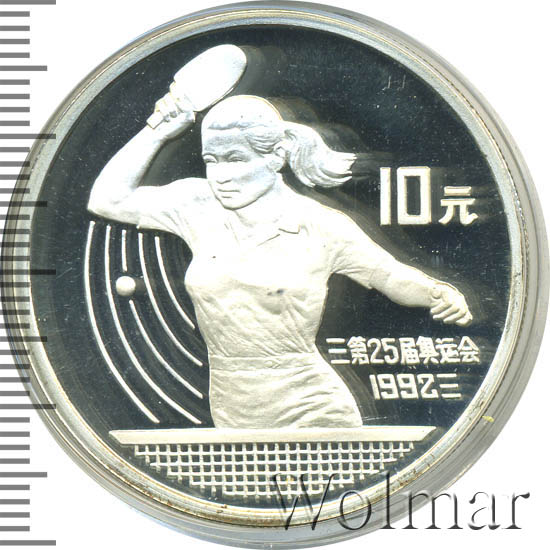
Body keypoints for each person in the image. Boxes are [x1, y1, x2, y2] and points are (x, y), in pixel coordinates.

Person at [88, 93, 472, 430]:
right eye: (211, 160)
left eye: (236, 159)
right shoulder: (195, 205)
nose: (221, 176)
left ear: (275, 157)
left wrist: (438, 293)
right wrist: (157, 131)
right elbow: (106, 201)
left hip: (312, 406)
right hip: (231, 406)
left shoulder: (322, 225)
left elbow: (388, 275)